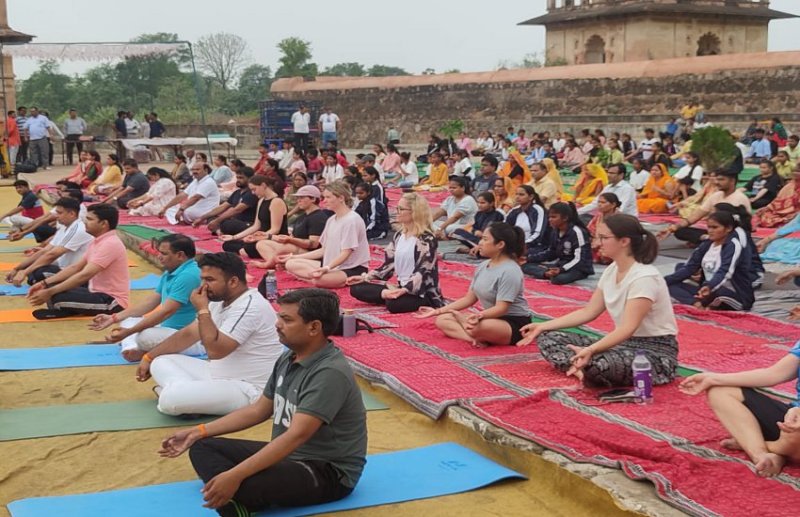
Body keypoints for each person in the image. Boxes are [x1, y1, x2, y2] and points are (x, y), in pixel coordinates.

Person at [159, 288, 367, 515]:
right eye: (279, 317)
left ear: (314, 327)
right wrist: (197, 431)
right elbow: (258, 410)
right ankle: (234, 496)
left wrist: (235, 475)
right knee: (202, 447)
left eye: (286, 319)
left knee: (242, 483)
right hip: (290, 456)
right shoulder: (288, 357)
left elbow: (295, 436)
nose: (277, 324)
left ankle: (234, 503)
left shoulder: (329, 372)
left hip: (327, 471)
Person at [518, 214, 678, 387]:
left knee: (600, 364)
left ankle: (584, 365)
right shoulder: (612, 270)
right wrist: (543, 326)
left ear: (624, 241)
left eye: (603, 238)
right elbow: (589, 312)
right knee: (548, 337)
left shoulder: (644, 277)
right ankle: (580, 366)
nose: (597, 243)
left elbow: (627, 328)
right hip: (620, 345)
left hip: (652, 352)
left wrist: (591, 349)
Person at [136, 252, 282, 418]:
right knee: (160, 360)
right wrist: (149, 357)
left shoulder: (250, 306)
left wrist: (202, 309)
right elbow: (188, 334)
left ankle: (178, 395)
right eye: (202, 279)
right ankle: (188, 395)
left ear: (233, 281)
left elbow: (215, 352)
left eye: (210, 280)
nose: (203, 286)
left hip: (249, 389)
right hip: (217, 375)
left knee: (170, 400)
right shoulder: (220, 301)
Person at [679, 348, 800, 478]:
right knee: (721, 390)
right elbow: (773, 374)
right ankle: (762, 455)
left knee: (795, 436)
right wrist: (712, 379)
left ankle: (775, 448)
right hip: (792, 419)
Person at [416, 222, 532, 348]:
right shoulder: (483, 266)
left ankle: (473, 330)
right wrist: (437, 311)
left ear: (500, 244)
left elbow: (501, 308)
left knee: (477, 327)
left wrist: (478, 316)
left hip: (512, 323)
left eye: (485, 239)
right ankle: (474, 339)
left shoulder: (510, 271)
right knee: (442, 319)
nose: (480, 243)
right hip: (489, 318)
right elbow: (469, 298)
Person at [90, 235, 202, 362]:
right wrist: (113, 318)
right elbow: (150, 302)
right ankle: (134, 347)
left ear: (180, 255)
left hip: (190, 339)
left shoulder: (188, 275)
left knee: (144, 336)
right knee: (129, 319)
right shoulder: (172, 271)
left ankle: (136, 347)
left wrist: (129, 332)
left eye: (164, 253)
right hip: (170, 330)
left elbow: (166, 312)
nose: (159, 256)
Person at [26, 204, 129, 319]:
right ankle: (69, 308)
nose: (85, 222)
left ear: (104, 224)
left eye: (89, 219)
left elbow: (85, 274)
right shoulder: (97, 241)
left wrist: (50, 292)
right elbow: (75, 267)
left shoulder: (110, 244)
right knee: (53, 287)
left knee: (57, 297)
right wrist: (43, 284)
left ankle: (66, 309)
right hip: (94, 291)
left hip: (112, 302)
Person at [349, 193, 444, 313]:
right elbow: (388, 266)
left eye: (401, 209)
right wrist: (365, 277)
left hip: (421, 292)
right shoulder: (399, 235)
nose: (396, 212)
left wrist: (404, 290)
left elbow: (423, 271)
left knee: (393, 304)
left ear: (414, 212)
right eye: (397, 208)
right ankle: (387, 294)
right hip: (400, 287)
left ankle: (389, 295)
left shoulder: (426, 239)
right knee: (356, 288)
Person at [284, 181, 370, 288]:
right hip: (330, 265)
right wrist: (293, 257)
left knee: (319, 280)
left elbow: (346, 253)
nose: (324, 201)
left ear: (341, 198)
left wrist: (327, 268)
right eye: (324, 197)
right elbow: (324, 250)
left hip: (351, 268)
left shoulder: (352, 220)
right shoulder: (331, 220)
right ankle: (314, 277)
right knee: (290, 263)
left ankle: (314, 278)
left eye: (328, 197)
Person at [665, 211, 755, 311]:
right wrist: (663, 281)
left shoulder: (733, 245)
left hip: (731, 293)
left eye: (715, 227)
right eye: (709, 227)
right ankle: (696, 303)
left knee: (719, 293)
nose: (710, 231)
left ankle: (703, 304)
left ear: (728, 228)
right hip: (707, 291)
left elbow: (725, 271)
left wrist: (709, 286)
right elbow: (690, 267)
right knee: (669, 284)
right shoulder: (707, 244)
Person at [5, 197, 92, 287]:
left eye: (59, 213)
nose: (56, 216)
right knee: (33, 266)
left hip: (74, 272)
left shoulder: (78, 229)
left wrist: (24, 272)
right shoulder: (64, 227)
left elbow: (52, 255)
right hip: (64, 266)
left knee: (38, 272)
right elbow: (45, 251)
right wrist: (17, 269)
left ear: (72, 214)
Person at [663, 167, 751, 245]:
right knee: (680, 231)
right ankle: (707, 239)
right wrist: (672, 228)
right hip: (715, 231)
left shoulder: (740, 198)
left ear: (732, 181)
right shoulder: (716, 195)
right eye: (716, 179)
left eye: (721, 180)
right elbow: (694, 217)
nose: (716, 182)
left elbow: (741, 226)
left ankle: (708, 240)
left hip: (730, 233)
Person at [524, 202, 594, 285]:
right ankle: (547, 273)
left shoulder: (577, 232)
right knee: (525, 266)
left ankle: (549, 273)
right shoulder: (555, 232)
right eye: (549, 217)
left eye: (553, 217)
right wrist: (528, 259)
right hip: (561, 264)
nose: (550, 220)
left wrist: (561, 269)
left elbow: (580, 259)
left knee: (558, 279)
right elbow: (551, 252)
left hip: (578, 267)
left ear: (565, 218)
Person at [221, 176, 288, 259]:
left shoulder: (276, 202)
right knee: (228, 244)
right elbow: (256, 226)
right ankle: (245, 249)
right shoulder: (261, 201)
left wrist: (257, 237)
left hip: (272, 238)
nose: (253, 193)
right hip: (261, 236)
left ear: (263, 185)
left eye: (254, 189)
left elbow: (275, 229)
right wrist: (234, 237)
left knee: (248, 248)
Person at [192, 167, 258, 235]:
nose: (238, 180)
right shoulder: (237, 192)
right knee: (211, 218)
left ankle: (219, 231)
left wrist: (217, 221)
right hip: (235, 221)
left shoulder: (252, 193)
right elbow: (222, 207)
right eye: (237, 178)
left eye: (241, 178)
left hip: (247, 223)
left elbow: (237, 210)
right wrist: (201, 218)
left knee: (228, 224)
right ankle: (219, 231)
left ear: (250, 179)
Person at [506, 185, 550, 259]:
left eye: (521, 194)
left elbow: (538, 233)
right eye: (516, 194)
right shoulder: (514, 211)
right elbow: (504, 228)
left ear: (531, 197)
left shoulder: (538, 210)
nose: (517, 197)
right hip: (516, 246)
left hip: (535, 246)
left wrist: (523, 245)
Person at [753, 164, 800, 228]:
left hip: (796, 213)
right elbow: (777, 202)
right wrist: (768, 207)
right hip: (786, 213)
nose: (796, 174)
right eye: (795, 172)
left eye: (798, 172)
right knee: (765, 216)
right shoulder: (789, 186)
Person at [588, 193, 621, 264]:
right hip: (596, 244)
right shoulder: (598, 216)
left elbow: (618, 238)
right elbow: (589, 232)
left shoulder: (619, 218)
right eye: (599, 202)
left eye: (603, 202)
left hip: (611, 245)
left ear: (613, 205)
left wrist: (600, 242)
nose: (599, 204)